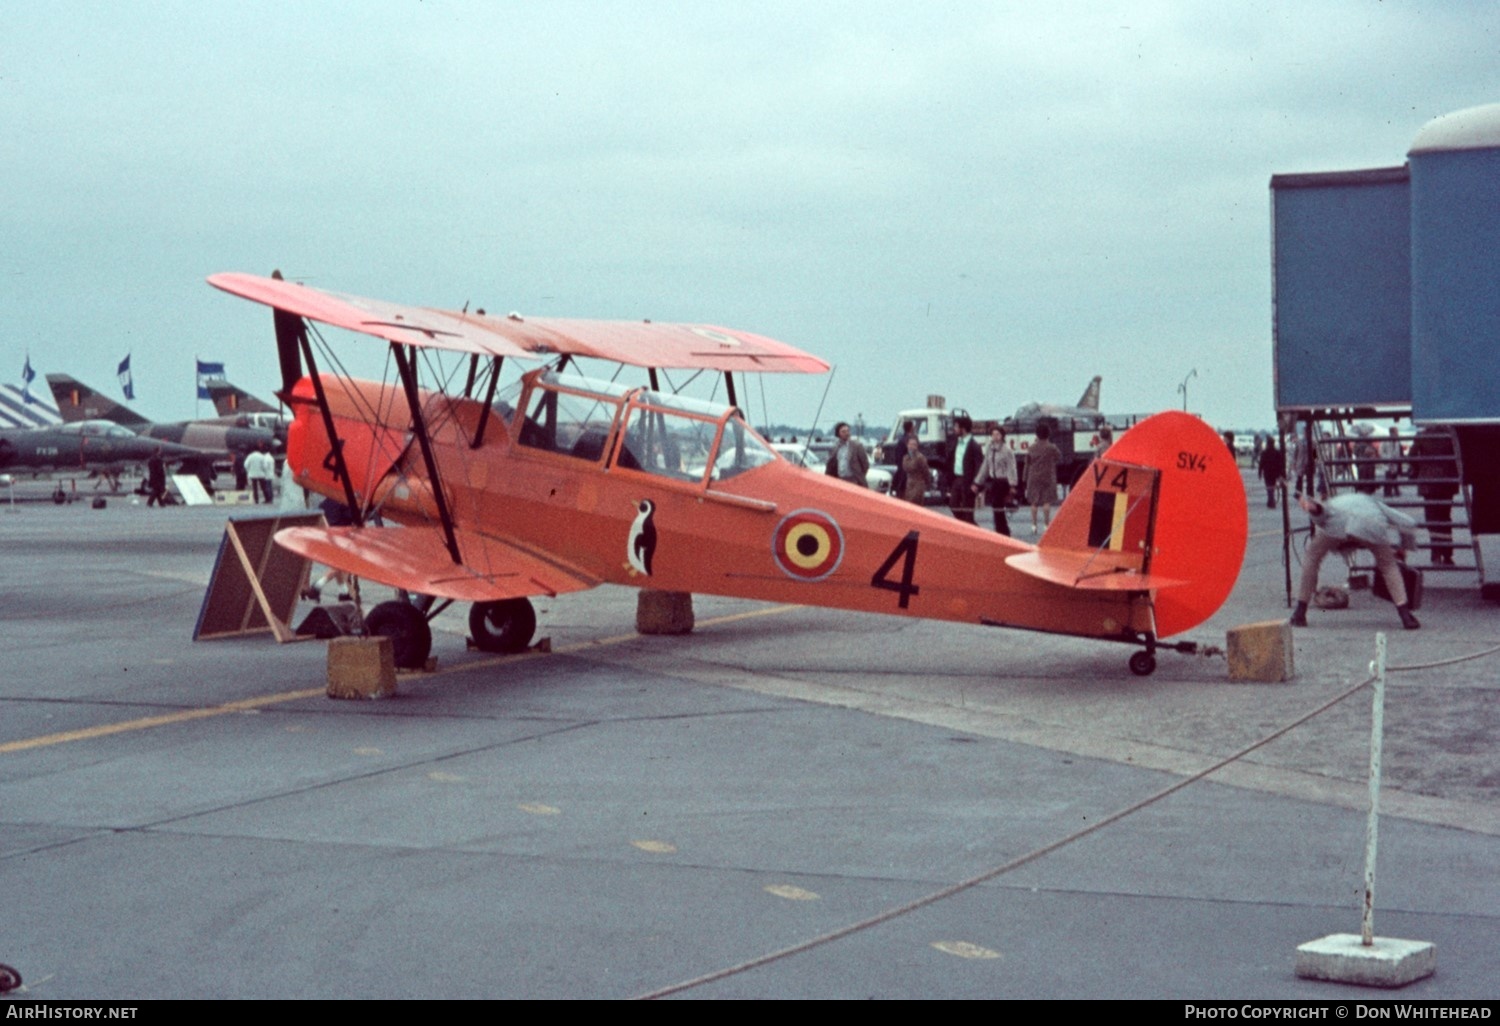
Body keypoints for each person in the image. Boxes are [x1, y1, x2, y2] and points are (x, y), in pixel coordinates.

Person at [1290, 492, 1421, 630]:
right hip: (1371, 526)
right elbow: (1408, 523)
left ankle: (1300, 612)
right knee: (1389, 566)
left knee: (1312, 557)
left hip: (1337, 526)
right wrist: (1403, 547)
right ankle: (1405, 615)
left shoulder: (1334, 503)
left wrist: (1315, 510)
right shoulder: (1375, 504)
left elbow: (1322, 515)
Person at [1409, 426, 1459, 565]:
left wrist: (1420, 468)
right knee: (1445, 518)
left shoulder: (1422, 435)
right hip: (1447, 481)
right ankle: (1448, 554)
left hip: (1428, 482)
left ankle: (1435, 554)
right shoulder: (1450, 435)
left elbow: (1411, 456)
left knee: (1432, 519)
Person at [972, 427, 1017, 535]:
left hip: (1004, 481)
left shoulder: (1007, 450)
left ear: (1002, 436)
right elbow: (985, 467)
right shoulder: (990, 450)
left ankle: (1003, 530)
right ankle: (1000, 528)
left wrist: (1012, 485)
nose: (995, 437)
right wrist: (977, 482)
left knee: (998, 505)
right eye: (993, 434)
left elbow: (1011, 468)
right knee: (995, 506)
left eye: (997, 434)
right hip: (995, 481)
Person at [1025, 423, 1061, 535]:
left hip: (1034, 477)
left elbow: (1027, 462)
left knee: (1034, 502)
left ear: (1037, 434)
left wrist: (1024, 478)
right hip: (1048, 476)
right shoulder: (1052, 447)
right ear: (1048, 434)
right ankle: (1046, 525)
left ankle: (1034, 525)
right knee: (1046, 501)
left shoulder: (1031, 448)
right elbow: (1058, 457)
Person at [946, 415, 982, 524]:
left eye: (956, 427)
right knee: (953, 505)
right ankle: (966, 525)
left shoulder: (974, 445)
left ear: (963, 428)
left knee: (968, 509)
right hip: (957, 479)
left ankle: (972, 529)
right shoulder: (956, 443)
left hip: (968, 481)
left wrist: (976, 484)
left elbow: (979, 466)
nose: (954, 429)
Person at [826, 422, 869, 487]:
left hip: (854, 481)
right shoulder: (835, 448)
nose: (846, 433)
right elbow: (831, 465)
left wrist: (859, 477)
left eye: (848, 431)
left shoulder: (857, 446)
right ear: (838, 434)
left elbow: (865, 464)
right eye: (843, 431)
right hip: (840, 480)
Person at [900, 436, 930, 504]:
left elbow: (926, 471)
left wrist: (927, 482)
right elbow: (905, 467)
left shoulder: (920, 457)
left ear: (917, 446)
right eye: (910, 444)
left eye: (914, 444)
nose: (911, 446)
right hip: (909, 484)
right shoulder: (906, 457)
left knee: (916, 504)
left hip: (918, 484)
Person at [1258, 440, 1286, 509]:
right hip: (1275, 472)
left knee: (1268, 487)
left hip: (1267, 472)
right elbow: (1281, 464)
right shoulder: (1277, 452)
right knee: (1272, 487)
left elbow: (1261, 463)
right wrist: (1281, 473)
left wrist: (1260, 473)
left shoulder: (1264, 452)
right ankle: (1271, 500)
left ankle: (1271, 501)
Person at [1380, 427, 1403, 498]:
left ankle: (1394, 491)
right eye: (1396, 432)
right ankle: (1388, 491)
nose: (1397, 433)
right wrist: (1385, 458)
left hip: (1395, 461)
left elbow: (1399, 451)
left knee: (1394, 476)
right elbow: (1381, 450)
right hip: (1388, 461)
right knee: (1389, 476)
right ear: (1392, 433)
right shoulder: (1385, 441)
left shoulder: (1397, 441)